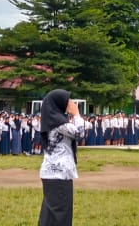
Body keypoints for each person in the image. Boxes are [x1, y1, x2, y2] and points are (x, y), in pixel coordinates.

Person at [37, 89, 84, 226]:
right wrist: (76, 114)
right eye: (67, 101)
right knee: (60, 214)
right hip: (59, 173)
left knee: (50, 214)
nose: (70, 103)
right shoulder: (59, 123)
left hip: (53, 173)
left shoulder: (54, 120)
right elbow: (79, 132)